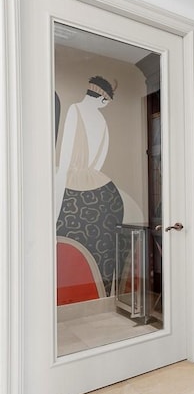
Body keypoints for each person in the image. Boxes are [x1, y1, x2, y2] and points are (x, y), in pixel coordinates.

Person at [55, 76, 123, 296]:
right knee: (103, 256)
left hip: (77, 192)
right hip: (107, 192)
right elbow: (99, 160)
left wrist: (58, 186)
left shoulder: (75, 110)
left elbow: (65, 158)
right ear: (103, 99)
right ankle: (102, 301)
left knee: (69, 254)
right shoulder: (102, 121)